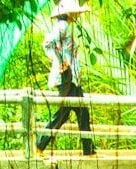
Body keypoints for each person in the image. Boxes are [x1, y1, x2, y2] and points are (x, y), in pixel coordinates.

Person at [36, 0, 95, 159]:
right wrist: (61, 61)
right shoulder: (63, 26)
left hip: (71, 78)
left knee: (82, 112)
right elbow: (48, 44)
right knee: (64, 113)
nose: (78, 14)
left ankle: (89, 150)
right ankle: (40, 145)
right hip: (66, 77)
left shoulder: (65, 25)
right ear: (69, 12)